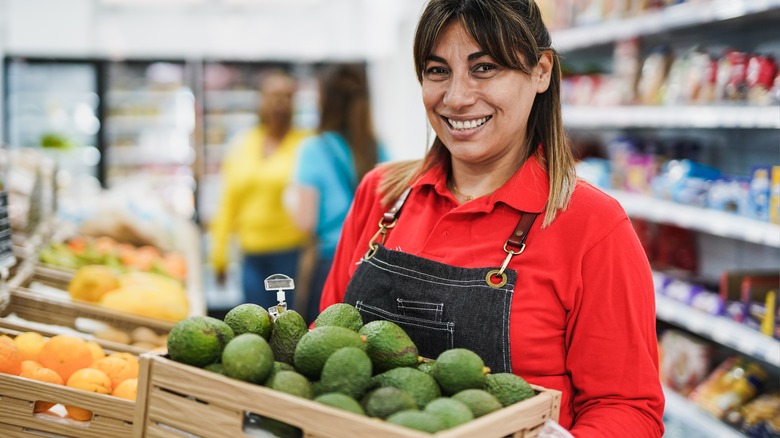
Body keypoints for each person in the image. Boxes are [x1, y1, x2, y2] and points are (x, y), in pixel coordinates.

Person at [318, 0, 665, 436]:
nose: (457, 98)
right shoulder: (383, 194)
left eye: (484, 68)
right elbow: (327, 341)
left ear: (540, 71)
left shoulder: (592, 225)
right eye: (437, 70)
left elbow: (627, 408)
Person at [286, 63, 388, 323]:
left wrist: (288, 199)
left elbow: (304, 222)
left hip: (330, 267)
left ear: (324, 100)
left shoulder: (313, 149)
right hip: (374, 269)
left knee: (323, 348)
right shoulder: (378, 149)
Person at [209, 70, 310, 310]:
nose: (280, 103)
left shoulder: (306, 145)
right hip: (251, 255)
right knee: (255, 323)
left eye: (287, 96)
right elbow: (228, 202)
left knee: (288, 326)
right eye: (273, 96)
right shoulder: (243, 144)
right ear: (261, 100)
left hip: (291, 253)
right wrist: (219, 254)